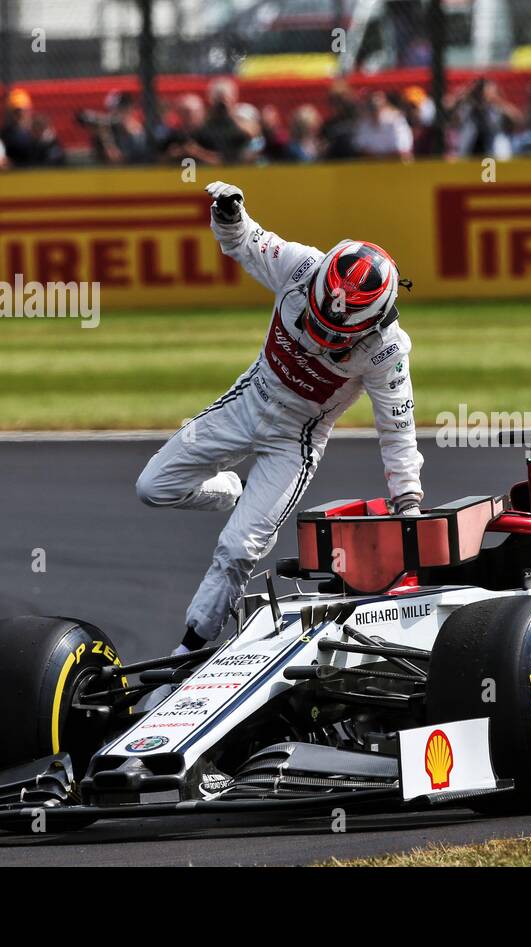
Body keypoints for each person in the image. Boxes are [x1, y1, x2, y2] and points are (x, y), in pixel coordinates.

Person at [135, 181, 424, 661]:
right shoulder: (301, 265)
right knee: (152, 487)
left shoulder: (388, 351)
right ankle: (234, 490)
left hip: (294, 443)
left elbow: (397, 430)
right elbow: (243, 240)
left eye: (336, 335)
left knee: (237, 550)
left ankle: (187, 650)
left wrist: (408, 503)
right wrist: (229, 213)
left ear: (372, 323)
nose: (320, 336)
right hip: (245, 402)